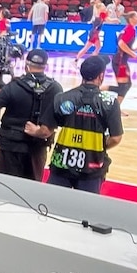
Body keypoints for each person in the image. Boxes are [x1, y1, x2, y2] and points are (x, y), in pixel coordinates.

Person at [26, 56, 122, 193]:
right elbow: (116, 138)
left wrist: (34, 131)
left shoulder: (62, 97)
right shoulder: (110, 102)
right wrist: (99, 146)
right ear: (101, 76)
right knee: (84, 211)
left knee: (52, 207)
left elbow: (45, 131)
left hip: (61, 165)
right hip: (92, 168)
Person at [0, 49, 63, 181]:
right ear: (45, 66)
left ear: (26, 65)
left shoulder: (13, 86)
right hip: (37, 147)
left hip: (10, 146)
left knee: (5, 186)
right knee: (31, 189)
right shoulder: (56, 88)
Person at [105, 11, 137, 110]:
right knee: (123, 86)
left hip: (121, 61)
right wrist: (132, 53)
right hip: (120, 62)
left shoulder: (130, 29)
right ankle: (101, 88)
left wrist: (133, 50)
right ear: (132, 19)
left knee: (126, 85)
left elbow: (123, 45)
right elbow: (121, 44)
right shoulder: (130, 29)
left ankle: (116, 109)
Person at [75, 0, 106, 64]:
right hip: (94, 33)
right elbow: (108, 19)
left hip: (95, 33)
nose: (105, 7)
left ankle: (93, 59)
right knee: (87, 48)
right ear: (100, 8)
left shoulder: (102, 15)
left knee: (98, 47)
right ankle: (76, 60)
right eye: (103, 7)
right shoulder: (98, 15)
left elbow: (107, 18)